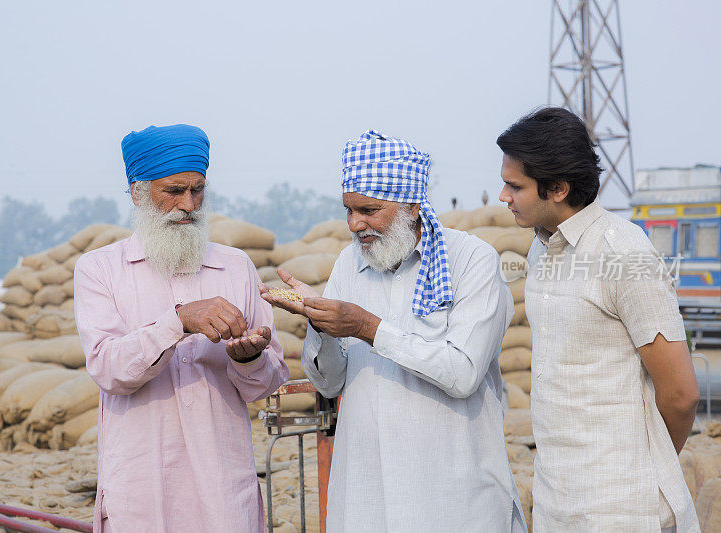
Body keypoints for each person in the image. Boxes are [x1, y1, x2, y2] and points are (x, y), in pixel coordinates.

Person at [262, 130, 526, 531]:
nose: (356, 224)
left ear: (411, 204)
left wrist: (369, 329)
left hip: (454, 494)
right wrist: (321, 325)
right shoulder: (349, 265)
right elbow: (331, 384)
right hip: (369, 493)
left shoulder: (471, 260)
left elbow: (463, 373)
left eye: (369, 210)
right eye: (349, 210)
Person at [74, 124, 289, 532]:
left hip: (222, 482)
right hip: (142, 484)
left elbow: (265, 384)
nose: (188, 204)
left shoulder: (236, 265)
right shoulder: (99, 269)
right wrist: (177, 321)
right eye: (173, 191)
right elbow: (108, 369)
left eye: (197, 190)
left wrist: (250, 359)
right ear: (138, 192)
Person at [497, 107, 700, 532]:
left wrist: (646, 465)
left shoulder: (623, 253)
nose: (503, 196)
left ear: (558, 188)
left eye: (515, 186)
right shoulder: (541, 251)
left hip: (622, 506)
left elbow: (680, 395)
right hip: (558, 498)